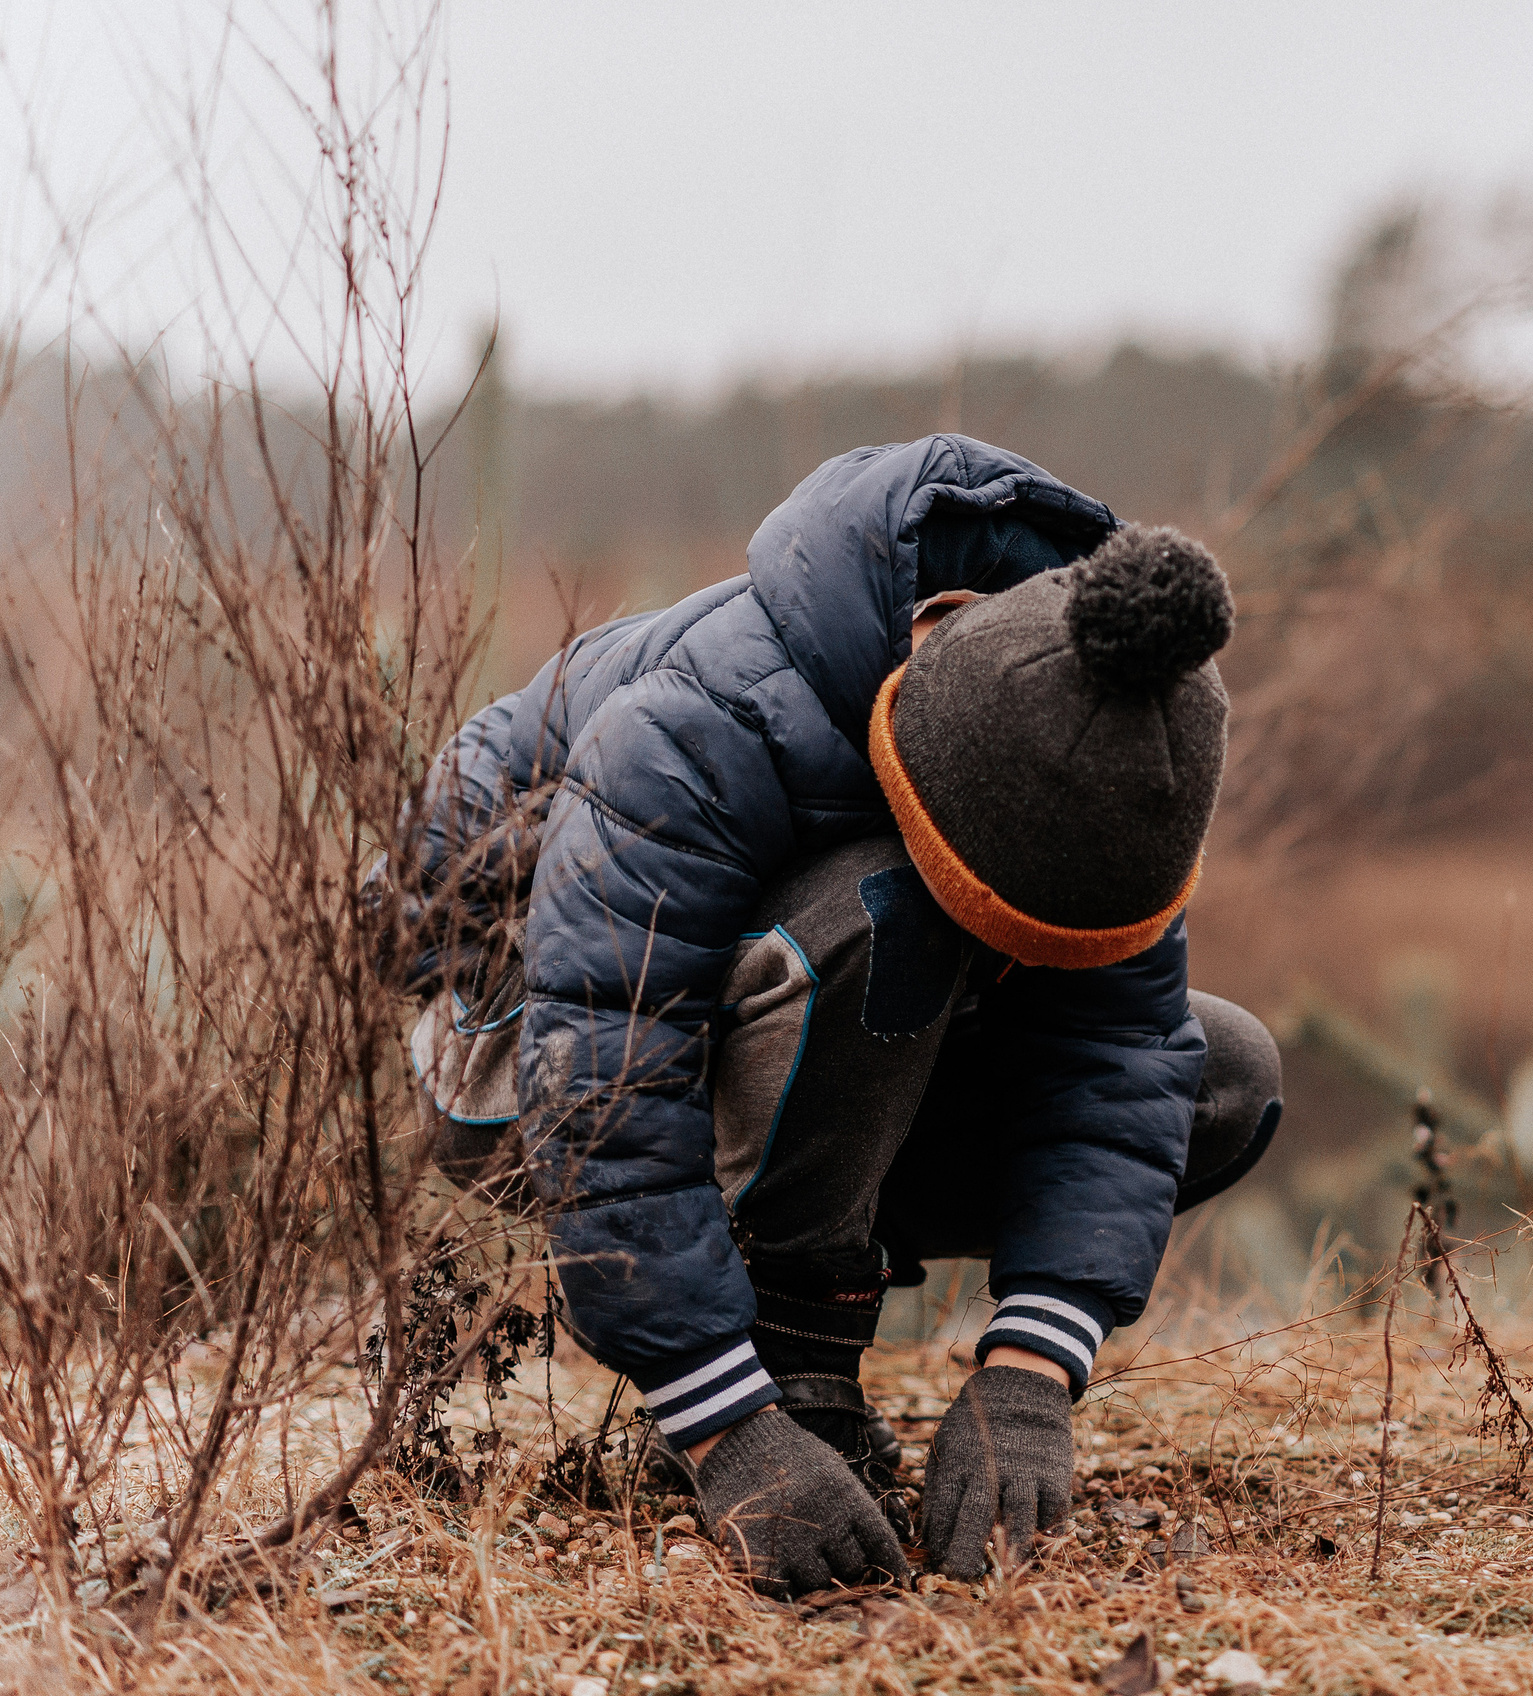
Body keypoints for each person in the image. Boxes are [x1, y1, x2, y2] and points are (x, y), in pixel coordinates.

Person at [392, 435, 1284, 1598]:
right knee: (885, 915)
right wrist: (727, 1425)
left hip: (794, 1036)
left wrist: (1031, 1369)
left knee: (1218, 1070)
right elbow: (603, 1060)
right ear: (921, 775)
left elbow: (1120, 1051)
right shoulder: (703, 726)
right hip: (519, 1054)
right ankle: (794, 1339)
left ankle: (815, 1266)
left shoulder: (1103, 730)